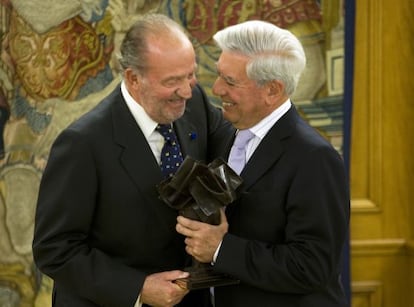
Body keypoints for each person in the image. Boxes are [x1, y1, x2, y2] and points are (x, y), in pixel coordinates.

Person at [32, 13, 232, 307]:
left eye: (190, 75)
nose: (187, 90)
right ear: (133, 78)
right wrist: (137, 289)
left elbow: (236, 152)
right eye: (173, 81)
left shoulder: (195, 102)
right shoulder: (82, 144)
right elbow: (54, 249)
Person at [176, 20, 350, 307]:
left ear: (272, 90)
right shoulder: (226, 136)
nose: (217, 89)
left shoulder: (315, 158)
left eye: (230, 82)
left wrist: (220, 249)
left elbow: (311, 267)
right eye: (219, 76)